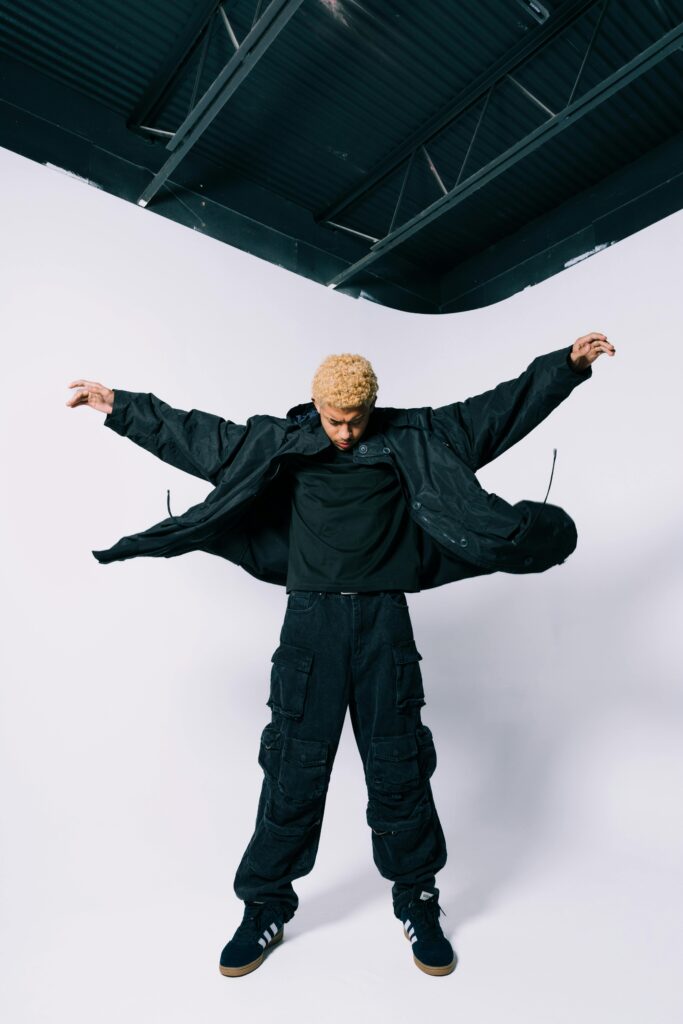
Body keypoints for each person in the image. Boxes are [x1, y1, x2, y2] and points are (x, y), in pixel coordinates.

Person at [66, 331, 615, 978]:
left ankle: (418, 899)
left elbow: (498, 411)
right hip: (311, 627)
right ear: (316, 406)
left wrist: (565, 368)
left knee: (399, 768)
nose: (346, 433)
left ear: (372, 407)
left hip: (384, 623)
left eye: (355, 420)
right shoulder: (280, 441)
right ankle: (264, 905)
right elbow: (196, 435)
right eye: (334, 420)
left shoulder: (419, 437)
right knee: (292, 771)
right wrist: (120, 406)